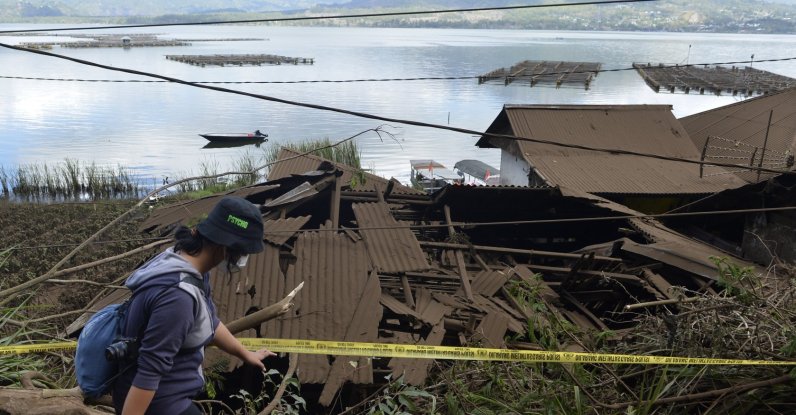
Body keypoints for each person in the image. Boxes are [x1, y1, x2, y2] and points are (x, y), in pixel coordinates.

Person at [112, 196, 275, 415]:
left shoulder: (186, 265)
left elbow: (210, 323)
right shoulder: (178, 297)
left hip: (167, 395)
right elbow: (149, 372)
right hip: (159, 403)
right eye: (243, 251)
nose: (243, 258)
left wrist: (246, 354)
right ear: (227, 247)